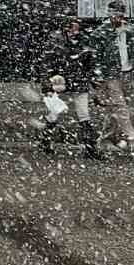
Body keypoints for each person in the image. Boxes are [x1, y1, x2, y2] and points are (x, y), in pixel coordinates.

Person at [88, 0, 134, 154]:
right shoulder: (101, 32)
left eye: (119, 14)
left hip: (128, 74)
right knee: (121, 107)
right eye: (113, 14)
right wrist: (98, 75)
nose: (116, 17)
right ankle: (133, 139)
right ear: (109, 13)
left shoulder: (132, 30)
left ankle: (102, 142)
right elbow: (95, 55)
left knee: (115, 110)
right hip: (110, 75)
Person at [43, 17, 104, 159]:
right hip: (61, 82)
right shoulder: (57, 42)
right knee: (55, 113)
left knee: (83, 115)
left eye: (76, 27)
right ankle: (46, 140)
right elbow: (48, 62)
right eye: (73, 27)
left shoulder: (81, 42)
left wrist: (92, 77)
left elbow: (91, 62)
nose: (75, 30)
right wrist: (48, 81)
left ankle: (90, 148)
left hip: (76, 81)